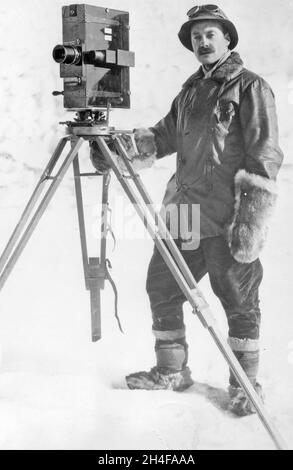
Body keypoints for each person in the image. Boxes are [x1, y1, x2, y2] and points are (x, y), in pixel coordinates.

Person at [91, 5, 283, 416]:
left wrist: (248, 222)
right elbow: (162, 137)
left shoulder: (251, 88)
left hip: (226, 218)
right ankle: (172, 371)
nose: (203, 42)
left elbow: (265, 156)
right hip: (183, 213)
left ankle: (245, 386)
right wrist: (113, 147)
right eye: (196, 36)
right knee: (161, 287)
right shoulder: (190, 91)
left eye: (210, 34)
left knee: (238, 300)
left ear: (228, 38)